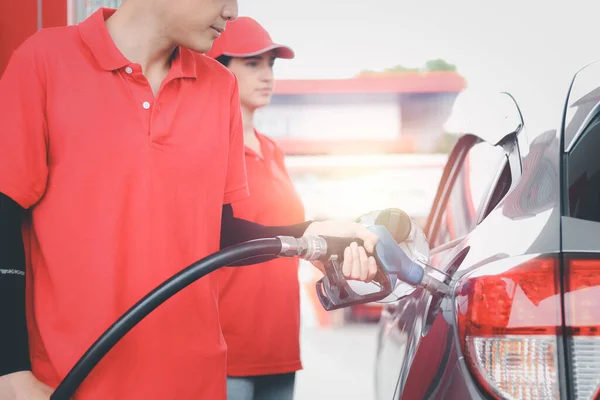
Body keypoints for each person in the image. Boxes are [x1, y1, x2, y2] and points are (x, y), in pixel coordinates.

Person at [0, 1, 379, 399]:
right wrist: (9, 371)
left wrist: (310, 235)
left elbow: (220, 232)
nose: (231, 13)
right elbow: (4, 217)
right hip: (68, 382)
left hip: (194, 381)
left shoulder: (220, 87)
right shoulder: (44, 61)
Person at [206, 17, 303, 400]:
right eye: (252, 64)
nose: (267, 75)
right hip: (229, 350)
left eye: (271, 64)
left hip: (280, 346)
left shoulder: (273, 149)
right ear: (220, 68)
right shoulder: (208, 149)